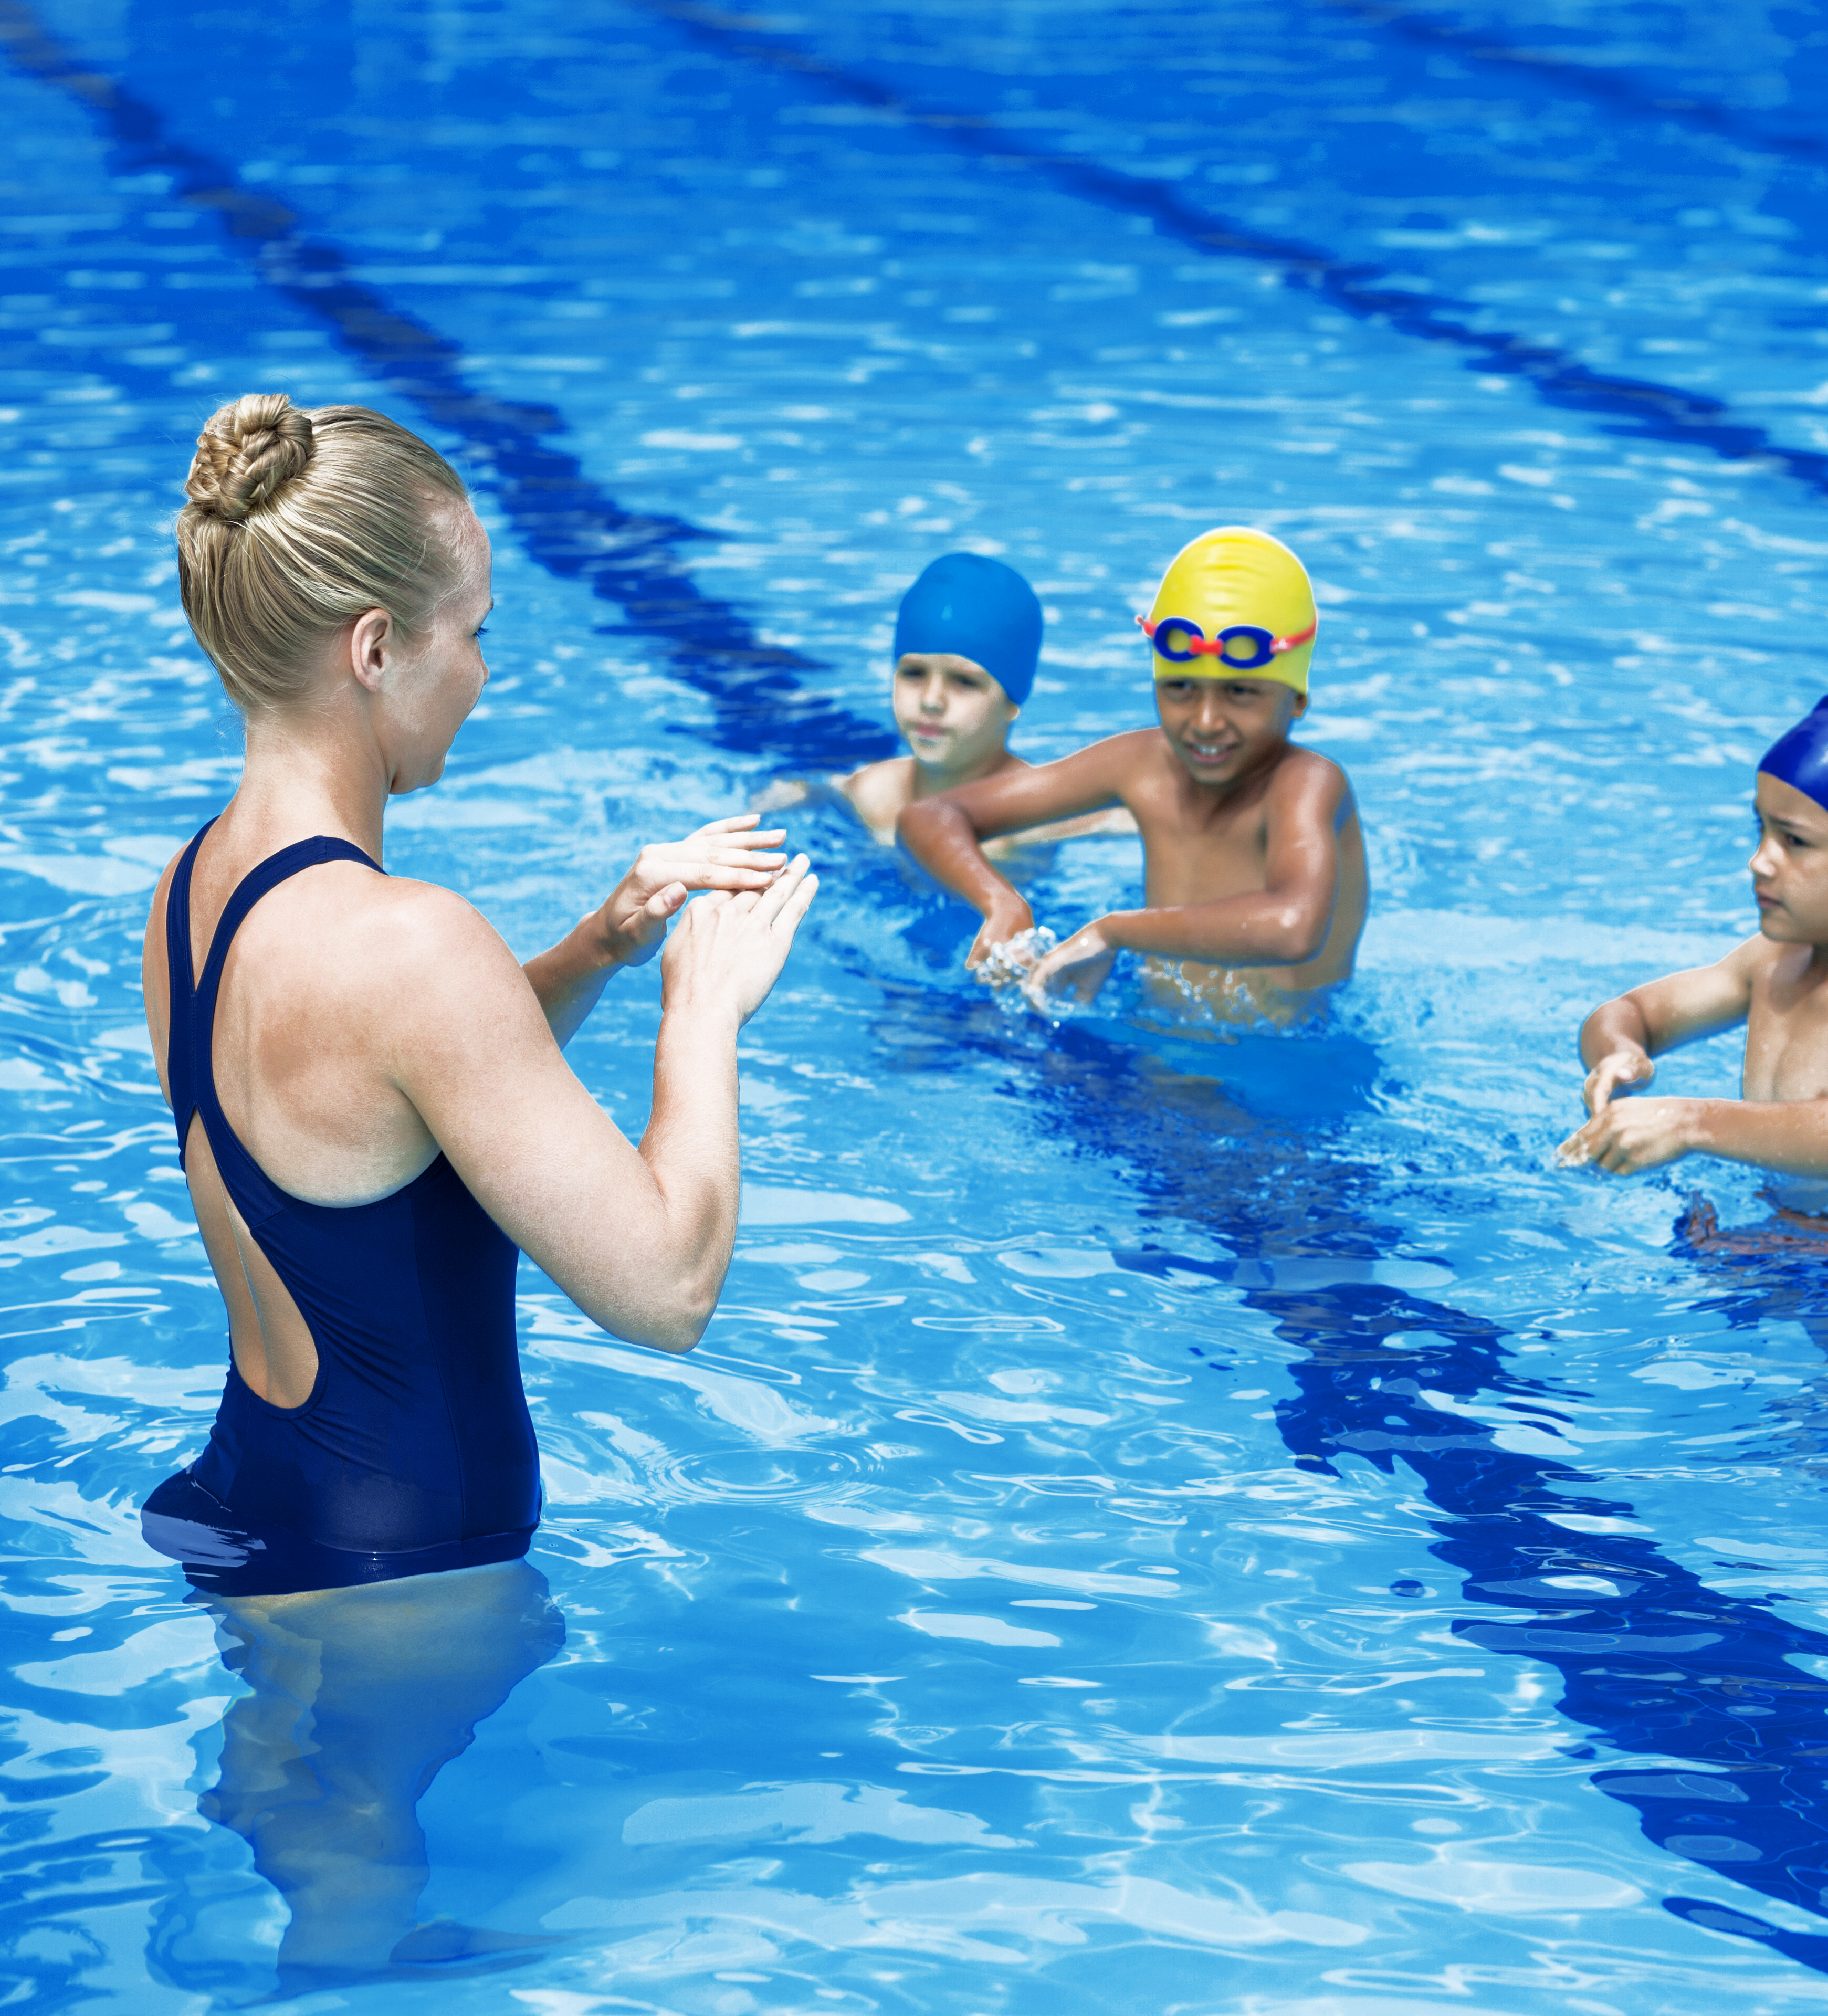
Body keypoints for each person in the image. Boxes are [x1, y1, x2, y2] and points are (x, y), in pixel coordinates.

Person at [137, 393, 815, 1977]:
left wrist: (593, 943)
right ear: (375, 647)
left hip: (253, 1503)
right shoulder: (409, 944)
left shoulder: (191, 892)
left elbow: (377, 1114)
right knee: (362, 1940)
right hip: (405, 1573)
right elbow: (667, 1288)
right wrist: (699, 1011)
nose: (484, 678)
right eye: (474, 633)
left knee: (325, 1867)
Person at [897, 525, 1365, 1020]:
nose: (1206, 721)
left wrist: (1113, 931)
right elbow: (929, 816)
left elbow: (1294, 926)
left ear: (1297, 701)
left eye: (1241, 692)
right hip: (1156, 1043)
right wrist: (1001, 902)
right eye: (1181, 688)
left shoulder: (1308, 784)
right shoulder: (1143, 764)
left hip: (1289, 1077)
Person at [1558, 678, 1828, 1195]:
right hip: (1773, 1230)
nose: (1759, 861)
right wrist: (1620, 1055)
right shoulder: (1775, 959)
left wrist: (1690, 1123)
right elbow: (1628, 1014)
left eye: (1795, 841)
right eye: (1759, 829)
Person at [754, 551, 1132, 849]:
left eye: (965, 682)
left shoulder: (1041, 812)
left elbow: (1133, 818)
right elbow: (803, 792)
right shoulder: (870, 794)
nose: (932, 701)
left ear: (1012, 702)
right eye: (914, 674)